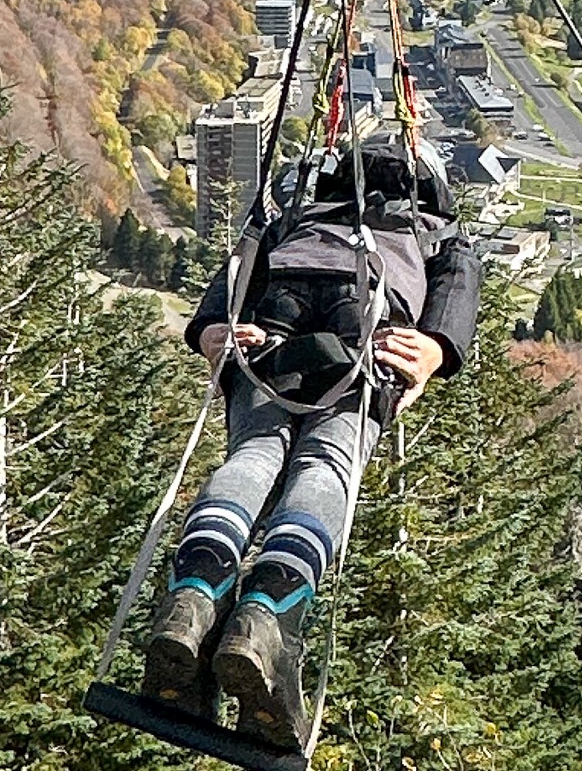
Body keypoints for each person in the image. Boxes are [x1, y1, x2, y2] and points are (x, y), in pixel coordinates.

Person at [141, 137, 481, 750]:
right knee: (326, 463)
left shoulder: (295, 217)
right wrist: (434, 348)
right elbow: (456, 288)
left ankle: (193, 593)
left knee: (253, 455)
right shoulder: (434, 232)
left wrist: (213, 328)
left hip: (271, 327)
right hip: (370, 332)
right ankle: (271, 611)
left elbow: (244, 259)